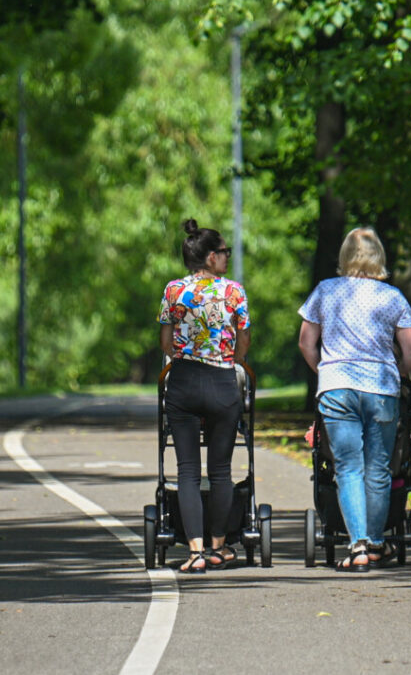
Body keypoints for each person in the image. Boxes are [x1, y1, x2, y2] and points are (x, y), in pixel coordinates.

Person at [297, 226, 411, 573]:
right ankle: (378, 543)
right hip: (381, 388)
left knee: (347, 467)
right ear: (378, 257)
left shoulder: (325, 291)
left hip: (337, 386)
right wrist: (395, 372)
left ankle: (358, 547)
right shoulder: (392, 297)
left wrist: (324, 369)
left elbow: (307, 343)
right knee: (379, 468)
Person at [158, 218, 250, 573]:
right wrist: (233, 358)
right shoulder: (234, 292)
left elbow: (166, 343)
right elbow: (243, 341)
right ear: (211, 258)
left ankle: (194, 552)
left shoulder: (172, 291)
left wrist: (181, 355)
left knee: (187, 471)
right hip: (221, 382)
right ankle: (218, 546)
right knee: (221, 470)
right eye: (224, 252)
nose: (227, 257)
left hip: (182, 382)